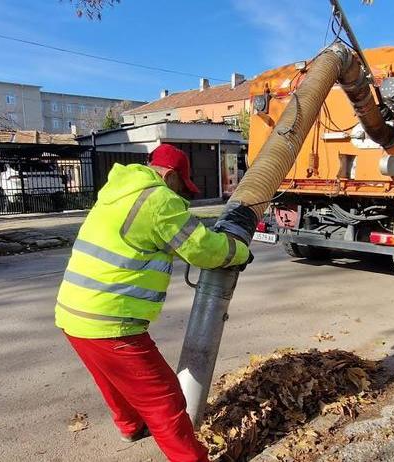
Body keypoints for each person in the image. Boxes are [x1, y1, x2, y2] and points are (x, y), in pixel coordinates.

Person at [55, 143, 252, 462]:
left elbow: (150, 240)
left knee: (112, 380)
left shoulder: (120, 190)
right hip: (110, 322)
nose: (183, 197)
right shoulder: (158, 199)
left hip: (73, 315)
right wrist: (239, 251)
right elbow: (201, 249)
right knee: (166, 401)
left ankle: (131, 426)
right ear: (171, 176)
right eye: (182, 188)